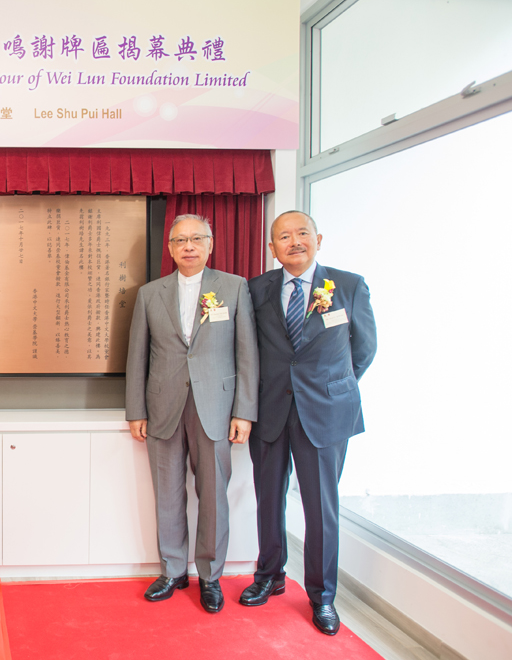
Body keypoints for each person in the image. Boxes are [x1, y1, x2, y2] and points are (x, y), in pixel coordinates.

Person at [241, 211, 376, 636]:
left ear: (317, 238)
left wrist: (329, 387)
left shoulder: (348, 285)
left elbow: (364, 351)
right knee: (268, 499)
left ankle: (322, 596)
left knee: (321, 508)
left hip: (325, 412)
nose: (294, 241)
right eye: (284, 236)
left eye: (301, 233)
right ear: (272, 247)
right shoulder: (256, 288)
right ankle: (269, 576)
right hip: (271, 409)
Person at [125, 214, 258, 613]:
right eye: (180, 240)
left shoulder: (233, 287)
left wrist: (244, 411)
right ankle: (172, 570)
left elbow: (247, 352)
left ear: (210, 244)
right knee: (167, 492)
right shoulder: (151, 293)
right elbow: (138, 357)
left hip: (215, 407)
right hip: (163, 405)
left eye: (196, 239)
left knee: (214, 494)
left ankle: (211, 576)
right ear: (169, 248)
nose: (188, 246)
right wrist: (136, 409)